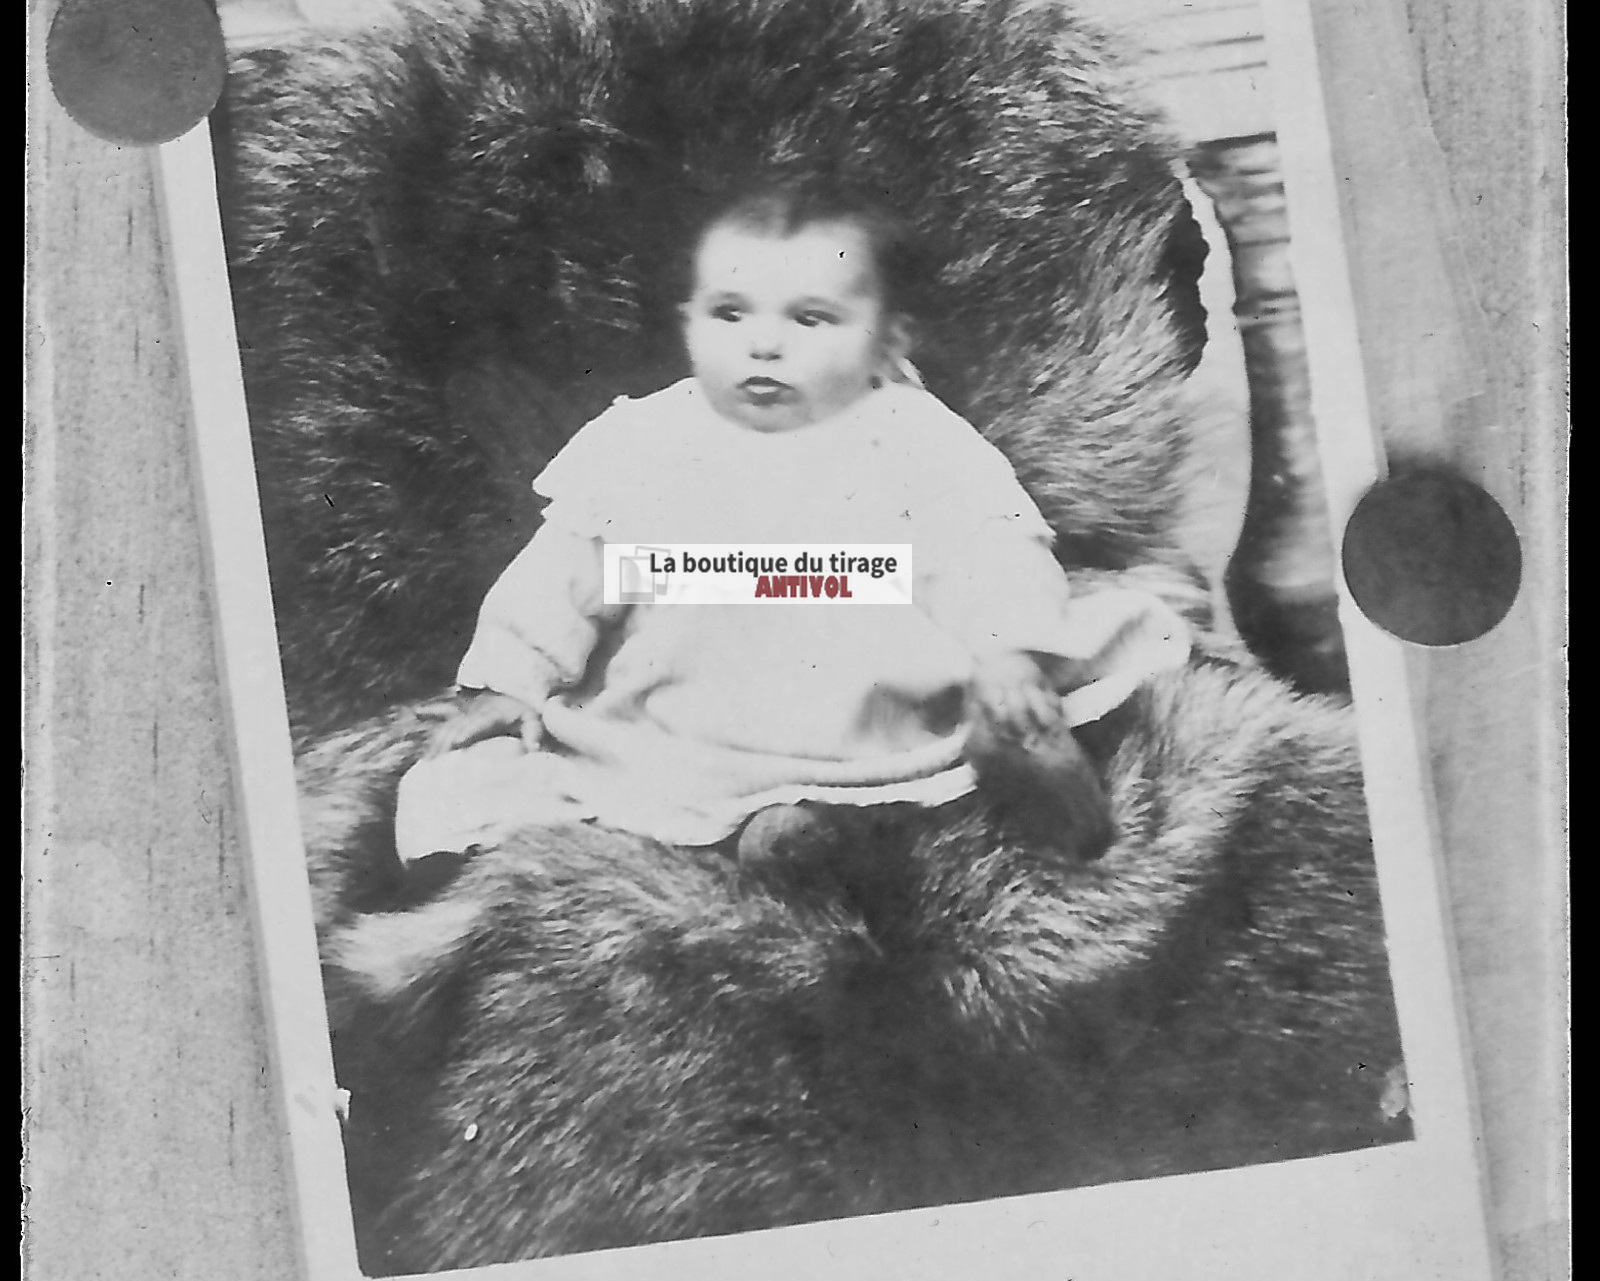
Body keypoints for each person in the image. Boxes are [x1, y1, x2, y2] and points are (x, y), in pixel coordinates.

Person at [392, 170, 1190, 877]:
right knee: (482, 780)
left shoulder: (914, 434)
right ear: (688, 322)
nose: (764, 345)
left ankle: (971, 775)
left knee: (1024, 690)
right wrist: (508, 685)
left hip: (873, 710)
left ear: (886, 341)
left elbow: (991, 548)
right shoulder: (642, 441)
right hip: (678, 722)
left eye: (810, 320)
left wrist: (1006, 655)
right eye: (730, 314)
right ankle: (786, 832)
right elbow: (561, 574)